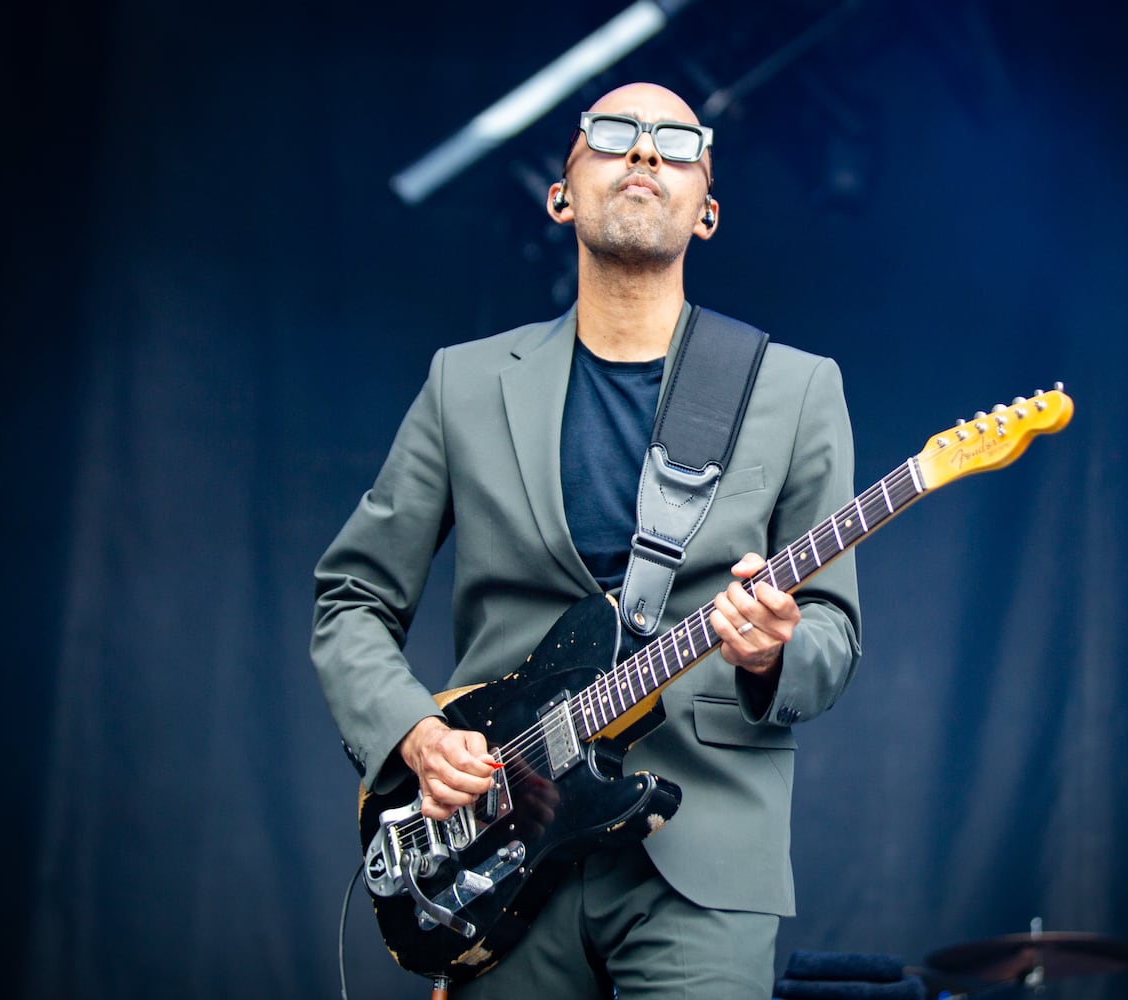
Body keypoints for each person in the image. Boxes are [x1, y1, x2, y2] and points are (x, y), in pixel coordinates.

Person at [311, 81, 862, 1000]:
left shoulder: (797, 391)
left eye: (679, 144)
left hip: (706, 858)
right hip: (494, 853)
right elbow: (351, 600)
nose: (646, 153)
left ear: (708, 212)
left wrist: (774, 651)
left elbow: (832, 641)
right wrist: (410, 732)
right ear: (560, 194)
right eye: (613, 135)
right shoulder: (466, 384)